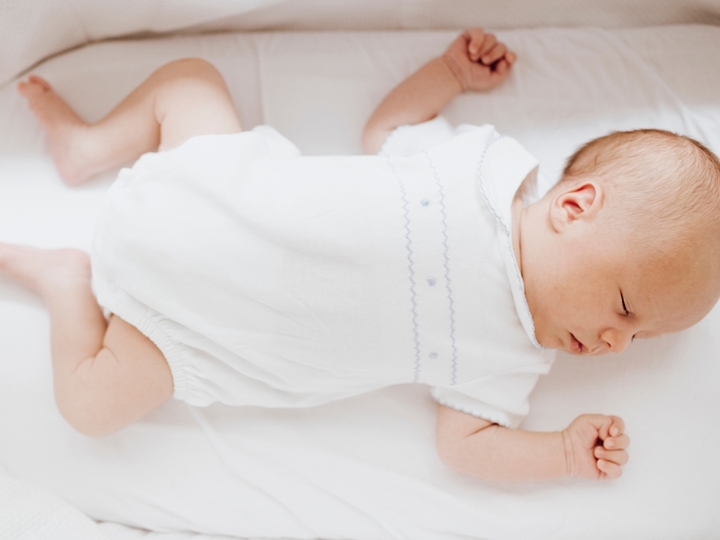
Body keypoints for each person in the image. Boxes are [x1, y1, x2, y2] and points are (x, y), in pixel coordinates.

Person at [3, 28, 720, 483]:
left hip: (188, 331)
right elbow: (391, 126)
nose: (615, 344)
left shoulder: (507, 360)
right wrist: (449, 75)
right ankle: (90, 147)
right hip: (216, 189)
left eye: (639, 337)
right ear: (573, 207)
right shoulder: (478, 171)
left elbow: (464, 447)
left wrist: (559, 453)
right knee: (190, 79)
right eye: (626, 308)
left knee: (92, 407)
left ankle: (68, 282)